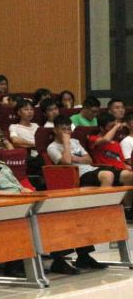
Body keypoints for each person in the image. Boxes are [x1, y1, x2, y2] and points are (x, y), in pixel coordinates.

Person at [44, 117, 111, 273]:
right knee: (69, 219)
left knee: (82, 218)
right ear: (55, 130)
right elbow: (67, 162)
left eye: (69, 129)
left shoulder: (76, 142)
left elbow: (89, 159)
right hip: (66, 185)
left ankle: (84, 256)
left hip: (81, 183)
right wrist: (66, 142)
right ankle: (59, 259)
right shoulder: (52, 147)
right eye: (63, 129)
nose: (67, 132)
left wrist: (76, 155)